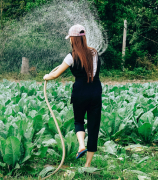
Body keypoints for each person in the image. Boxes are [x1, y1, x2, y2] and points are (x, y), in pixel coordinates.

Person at [43, 24, 102, 168]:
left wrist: (46, 76)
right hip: (95, 92)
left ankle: (81, 145)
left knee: (79, 121)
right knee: (93, 127)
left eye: (70, 39)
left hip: (80, 92)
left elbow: (55, 74)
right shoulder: (94, 53)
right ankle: (87, 165)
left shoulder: (71, 56)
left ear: (73, 40)